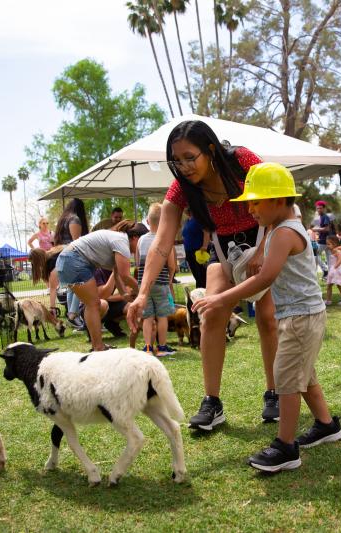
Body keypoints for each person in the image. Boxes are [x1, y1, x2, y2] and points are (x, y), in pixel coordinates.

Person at [125, 119, 280, 429]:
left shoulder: (241, 161)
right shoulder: (182, 187)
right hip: (223, 244)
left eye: (189, 157)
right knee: (210, 313)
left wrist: (263, 248)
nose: (183, 166)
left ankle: (274, 392)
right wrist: (142, 294)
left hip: (264, 232)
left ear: (210, 150)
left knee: (267, 316)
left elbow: (279, 201)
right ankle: (212, 402)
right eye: (176, 160)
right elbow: (161, 242)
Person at [192, 162, 341, 472]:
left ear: (278, 200)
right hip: (301, 315)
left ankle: (286, 446)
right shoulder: (281, 229)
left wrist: (221, 298)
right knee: (304, 376)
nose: (250, 210)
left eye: (256, 201)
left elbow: (265, 278)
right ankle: (327, 425)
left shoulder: (284, 233)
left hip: (301, 317)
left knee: (287, 380)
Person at [56, 220, 141, 351]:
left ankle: (97, 345)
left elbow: (117, 273)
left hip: (68, 260)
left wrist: (124, 294)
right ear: (135, 238)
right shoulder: (122, 241)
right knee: (93, 304)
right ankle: (98, 346)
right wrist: (143, 291)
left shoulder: (117, 239)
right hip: (73, 260)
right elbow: (125, 276)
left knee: (92, 304)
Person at [137, 203, 178, 356]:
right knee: (162, 316)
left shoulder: (141, 240)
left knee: (147, 316)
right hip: (161, 283)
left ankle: (148, 348)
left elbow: (137, 261)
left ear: (147, 221)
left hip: (144, 284)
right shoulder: (165, 239)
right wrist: (170, 279)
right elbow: (172, 265)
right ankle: (162, 347)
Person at [54, 198, 89, 328]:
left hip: (62, 256)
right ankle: (73, 315)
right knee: (79, 285)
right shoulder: (74, 219)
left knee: (72, 287)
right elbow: (76, 242)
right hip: (71, 256)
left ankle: (71, 315)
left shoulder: (64, 219)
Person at [182, 207, 211, 289]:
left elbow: (207, 232)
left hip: (199, 251)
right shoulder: (187, 221)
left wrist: (205, 246)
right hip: (189, 252)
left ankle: (204, 292)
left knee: (202, 275)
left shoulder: (199, 218)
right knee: (197, 276)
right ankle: (199, 292)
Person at [324, 235, 341, 305]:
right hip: (333, 270)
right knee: (329, 285)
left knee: (340, 285)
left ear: (334, 244)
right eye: (327, 244)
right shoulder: (332, 250)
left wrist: (334, 267)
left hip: (337, 270)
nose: (327, 246)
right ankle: (328, 300)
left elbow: (340, 260)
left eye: (329, 244)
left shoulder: (338, 251)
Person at [310, 200, 334, 276]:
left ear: (324, 208)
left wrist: (315, 229)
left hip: (324, 242)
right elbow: (323, 229)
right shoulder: (321, 217)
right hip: (326, 241)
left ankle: (324, 270)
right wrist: (318, 232)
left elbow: (327, 229)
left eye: (320, 208)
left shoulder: (325, 217)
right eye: (317, 208)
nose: (319, 210)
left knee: (314, 255)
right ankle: (330, 276)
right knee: (329, 259)